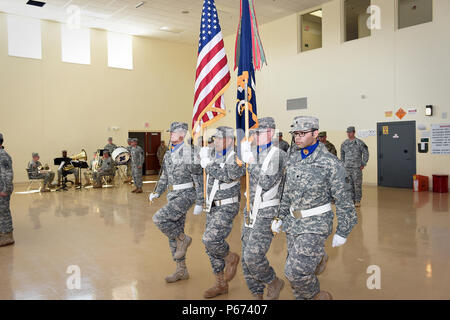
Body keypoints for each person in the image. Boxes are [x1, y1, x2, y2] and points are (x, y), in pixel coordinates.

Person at [272, 116, 358, 300]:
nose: (298, 138)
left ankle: (317, 296)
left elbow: (344, 200)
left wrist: (343, 230)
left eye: (303, 133)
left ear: (315, 134)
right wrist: (279, 217)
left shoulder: (330, 163)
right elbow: (286, 191)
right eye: (295, 134)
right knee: (298, 277)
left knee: (294, 272)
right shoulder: (293, 158)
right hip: (293, 223)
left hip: (315, 225)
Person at [149, 122, 203, 283]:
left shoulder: (190, 152)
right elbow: (164, 176)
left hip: (185, 194)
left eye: (173, 132)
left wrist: (200, 201)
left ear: (182, 134)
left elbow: (198, 178)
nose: (170, 134)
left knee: (159, 218)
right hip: (172, 194)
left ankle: (183, 238)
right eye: (170, 132)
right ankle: (181, 270)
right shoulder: (168, 153)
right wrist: (157, 191)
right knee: (173, 236)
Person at [240, 117, 287, 300]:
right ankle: (256, 293)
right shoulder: (252, 152)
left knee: (253, 256)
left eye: (258, 133)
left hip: (267, 212)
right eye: (253, 133)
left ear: (271, 133)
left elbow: (267, 181)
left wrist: (250, 162)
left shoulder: (278, 155)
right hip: (249, 211)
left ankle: (273, 281)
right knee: (245, 256)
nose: (254, 136)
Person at [199, 126, 244, 298]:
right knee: (210, 247)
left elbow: (228, 175)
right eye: (214, 138)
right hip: (211, 205)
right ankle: (220, 283)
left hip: (227, 205)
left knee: (210, 239)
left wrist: (207, 164)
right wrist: (202, 152)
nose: (215, 141)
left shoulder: (237, 156)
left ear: (230, 140)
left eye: (219, 138)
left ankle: (230, 257)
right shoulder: (213, 153)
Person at [340, 126, 369, 207]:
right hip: (347, 168)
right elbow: (342, 154)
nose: (349, 134)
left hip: (356, 168)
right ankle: (351, 200)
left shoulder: (359, 142)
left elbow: (366, 153)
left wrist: (363, 163)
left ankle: (357, 200)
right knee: (349, 185)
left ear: (354, 132)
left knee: (357, 185)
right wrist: (343, 164)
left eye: (350, 132)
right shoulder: (344, 143)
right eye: (348, 132)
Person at [0, 133, 14, 247]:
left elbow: (8, 175)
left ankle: (8, 237)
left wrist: (6, 190)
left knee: (4, 212)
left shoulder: (3, 156)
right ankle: (2, 233)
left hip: (3, 190)